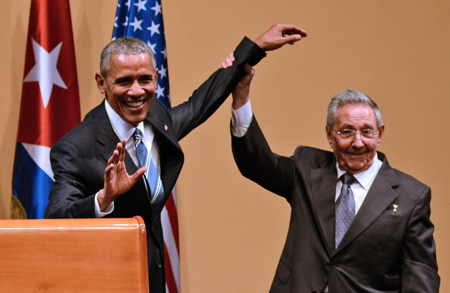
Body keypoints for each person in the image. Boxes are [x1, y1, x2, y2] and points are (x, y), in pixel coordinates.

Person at [43, 24, 307, 293]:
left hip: (154, 282)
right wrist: (104, 198)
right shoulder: (76, 147)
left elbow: (198, 105)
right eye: (123, 82)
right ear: (102, 83)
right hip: (107, 283)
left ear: (156, 78)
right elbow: (54, 218)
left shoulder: (156, 115)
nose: (136, 92)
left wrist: (255, 47)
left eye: (145, 80)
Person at [227, 62, 440, 292]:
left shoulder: (411, 196)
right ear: (329, 135)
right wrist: (241, 96)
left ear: (380, 134)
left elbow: (421, 281)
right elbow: (256, 163)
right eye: (346, 131)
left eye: (367, 131)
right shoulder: (306, 170)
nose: (358, 142)